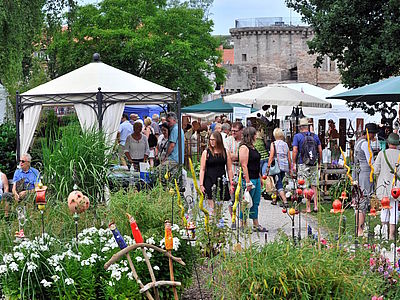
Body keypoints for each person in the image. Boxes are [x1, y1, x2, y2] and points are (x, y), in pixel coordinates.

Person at [239, 126, 267, 232]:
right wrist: (247, 181)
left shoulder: (253, 147)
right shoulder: (244, 148)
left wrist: (260, 178)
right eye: (255, 134)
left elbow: (256, 164)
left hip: (256, 177)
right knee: (246, 201)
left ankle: (256, 223)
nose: (256, 136)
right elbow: (244, 165)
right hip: (249, 179)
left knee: (255, 202)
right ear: (251, 135)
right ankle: (243, 223)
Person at [292, 118, 322, 213]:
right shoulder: (315, 136)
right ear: (308, 126)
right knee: (314, 185)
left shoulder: (297, 137)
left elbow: (295, 150)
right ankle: (316, 206)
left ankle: (308, 207)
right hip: (313, 163)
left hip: (302, 163)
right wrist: (319, 162)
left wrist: (293, 163)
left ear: (300, 127)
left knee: (305, 185)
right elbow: (320, 150)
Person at [374, 133, 400, 240]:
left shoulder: (382, 154)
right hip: (396, 187)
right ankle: (391, 235)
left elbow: (376, 171)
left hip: (384, 185)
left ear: (388, 143)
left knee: (384, 209)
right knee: (394, 209)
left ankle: (384, 233)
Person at [199, 131, 234, 212]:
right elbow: (202, 169)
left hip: (221, 181)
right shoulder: (206, 152)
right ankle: (212, 223)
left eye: (213, 140)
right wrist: (201, 184)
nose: (212, 142)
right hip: (209, 180)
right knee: (212, 207)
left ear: (218, 140)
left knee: (219, 208)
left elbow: (229, 169)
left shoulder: (225, 152)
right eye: (210, 140)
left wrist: (231, 183)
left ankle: (217, 223)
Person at [353, 123, 378, 237]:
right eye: (374, 134)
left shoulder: (358, 141)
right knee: (363, 200)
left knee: (359, 200)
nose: (375, 137)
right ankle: (360, 230)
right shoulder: (365, 145)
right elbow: (370, 161)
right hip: (365, 174)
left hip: (357, 174)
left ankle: (359, 227)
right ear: (370, 133)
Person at [224, 121, 243, 227]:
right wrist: (239, 156)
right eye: (232, 131)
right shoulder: (227, 141)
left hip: (242, 172)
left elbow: (244, 157)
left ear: (241, 131)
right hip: (230, 172)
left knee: (242, 198)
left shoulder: (244, 141)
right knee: (231, 198)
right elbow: (228, 156)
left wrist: (236, 156)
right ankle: (233, 219)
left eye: (235, 131)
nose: (233, 133)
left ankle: (242, 220)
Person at [267, 128, 291, 207]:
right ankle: (274, 199)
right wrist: (290, 167)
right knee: (278, 182)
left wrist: (268, 167)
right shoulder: (285, 144)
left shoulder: (273, 144)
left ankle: (285, 201)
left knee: (279, 183)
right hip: (285, 166)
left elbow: (271, 156)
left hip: (277, 166)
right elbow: (289, 157)